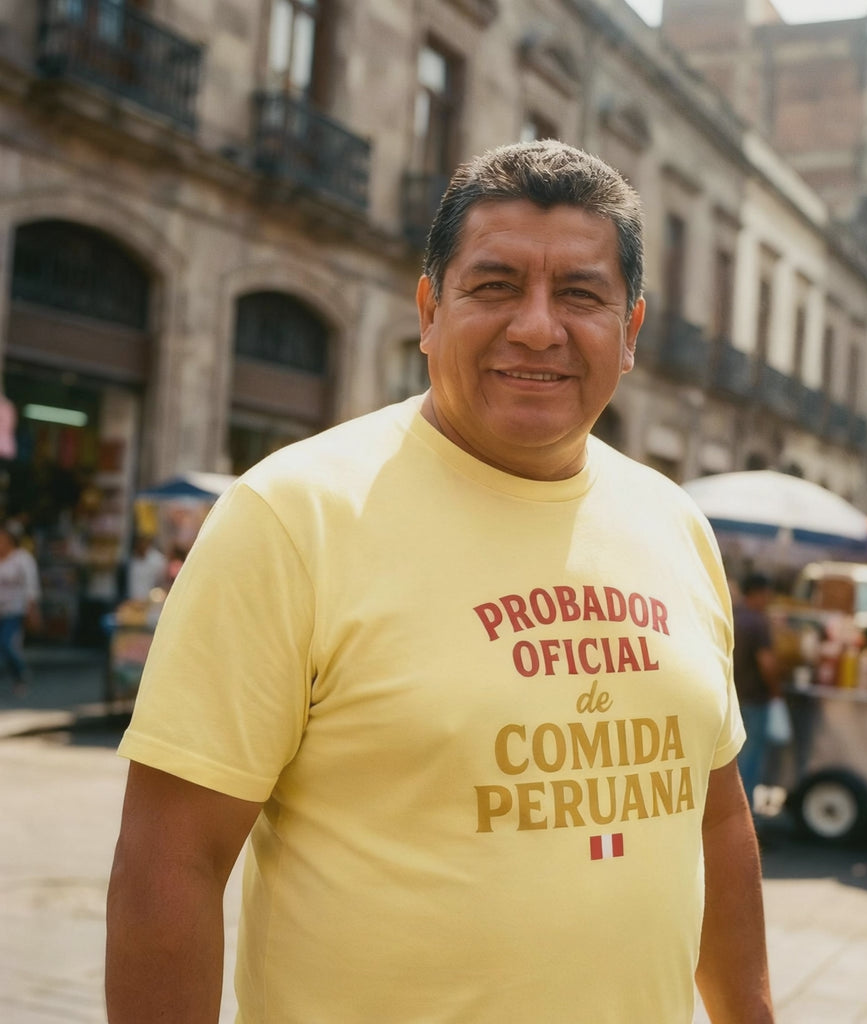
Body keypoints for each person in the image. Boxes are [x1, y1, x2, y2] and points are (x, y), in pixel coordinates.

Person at [105, 140, 773, 1024]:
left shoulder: (674, 523)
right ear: (429, 309)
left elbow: (715, 820)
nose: (538, 326)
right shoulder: (291, 516)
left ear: (632, 331)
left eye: (580, 294)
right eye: (494, 287)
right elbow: (170, 865)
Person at [732, 571, 781, 809]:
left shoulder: (732, 615)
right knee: (749, 765)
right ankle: (746, 814)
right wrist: (775, 692)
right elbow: (767, 663)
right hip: (754, 700)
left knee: (732, 761)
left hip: (732, 698)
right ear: (760, 594)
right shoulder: (758, 622)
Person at [0, 522, 41, 696]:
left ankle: (21, 674)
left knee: (7, 644)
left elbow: (31, 584)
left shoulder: (22, 558)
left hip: (15, 610)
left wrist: (31, 608)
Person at [125, 532, 168, 601]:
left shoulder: (158, 560)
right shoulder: (130, 559)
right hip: (132, 603)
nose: (141, 544)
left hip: (151, 604)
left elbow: (163, 583)